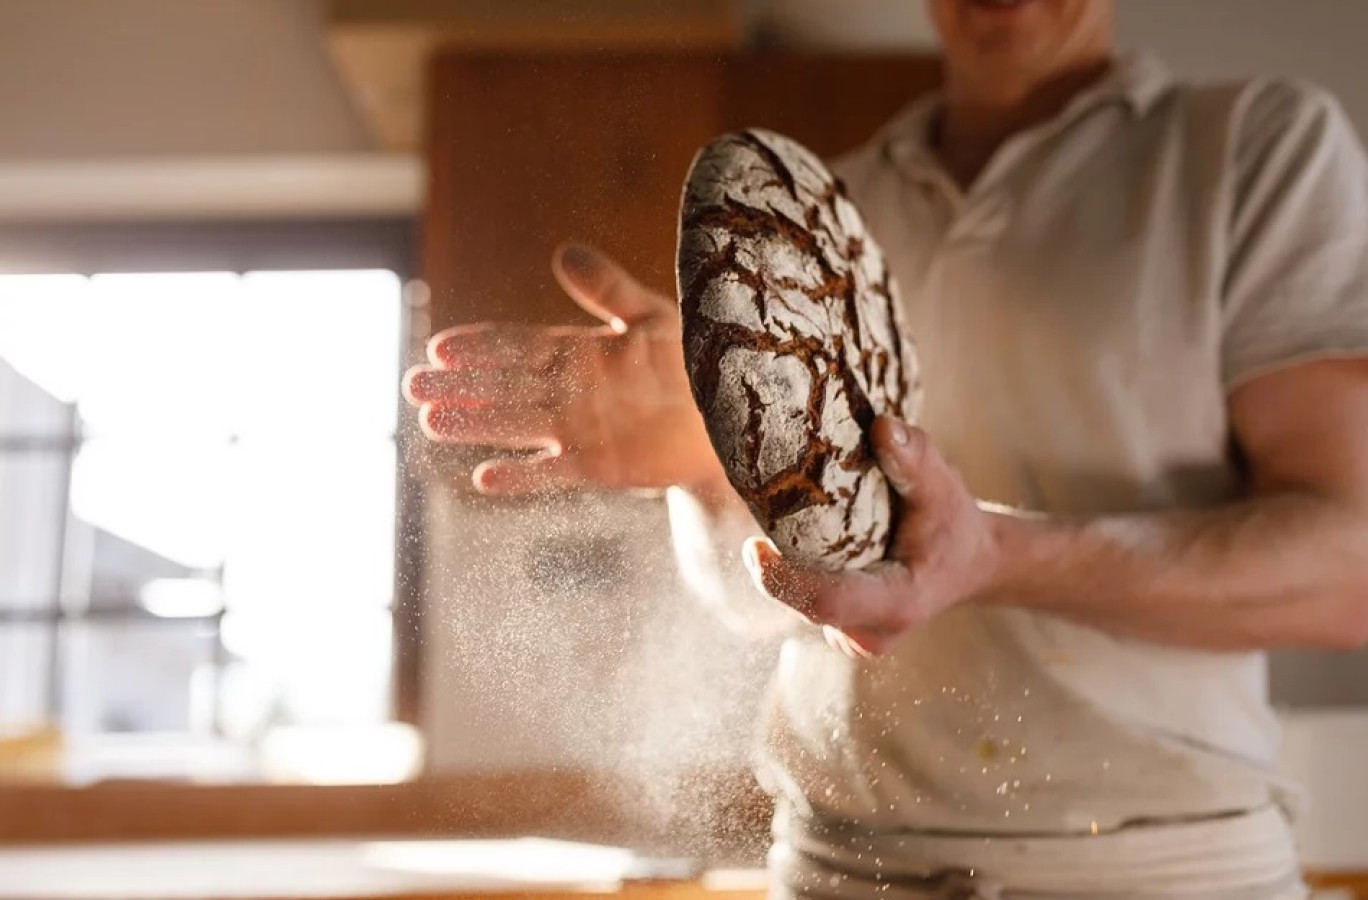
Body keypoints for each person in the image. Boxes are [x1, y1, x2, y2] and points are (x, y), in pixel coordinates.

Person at [403, 0, 1368, 896]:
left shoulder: (1251, 149)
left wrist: (994, 557)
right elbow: (774, 603)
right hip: (832, 865)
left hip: (1158, 870)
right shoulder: (826, 212)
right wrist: (708, 463)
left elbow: (1349, 573)